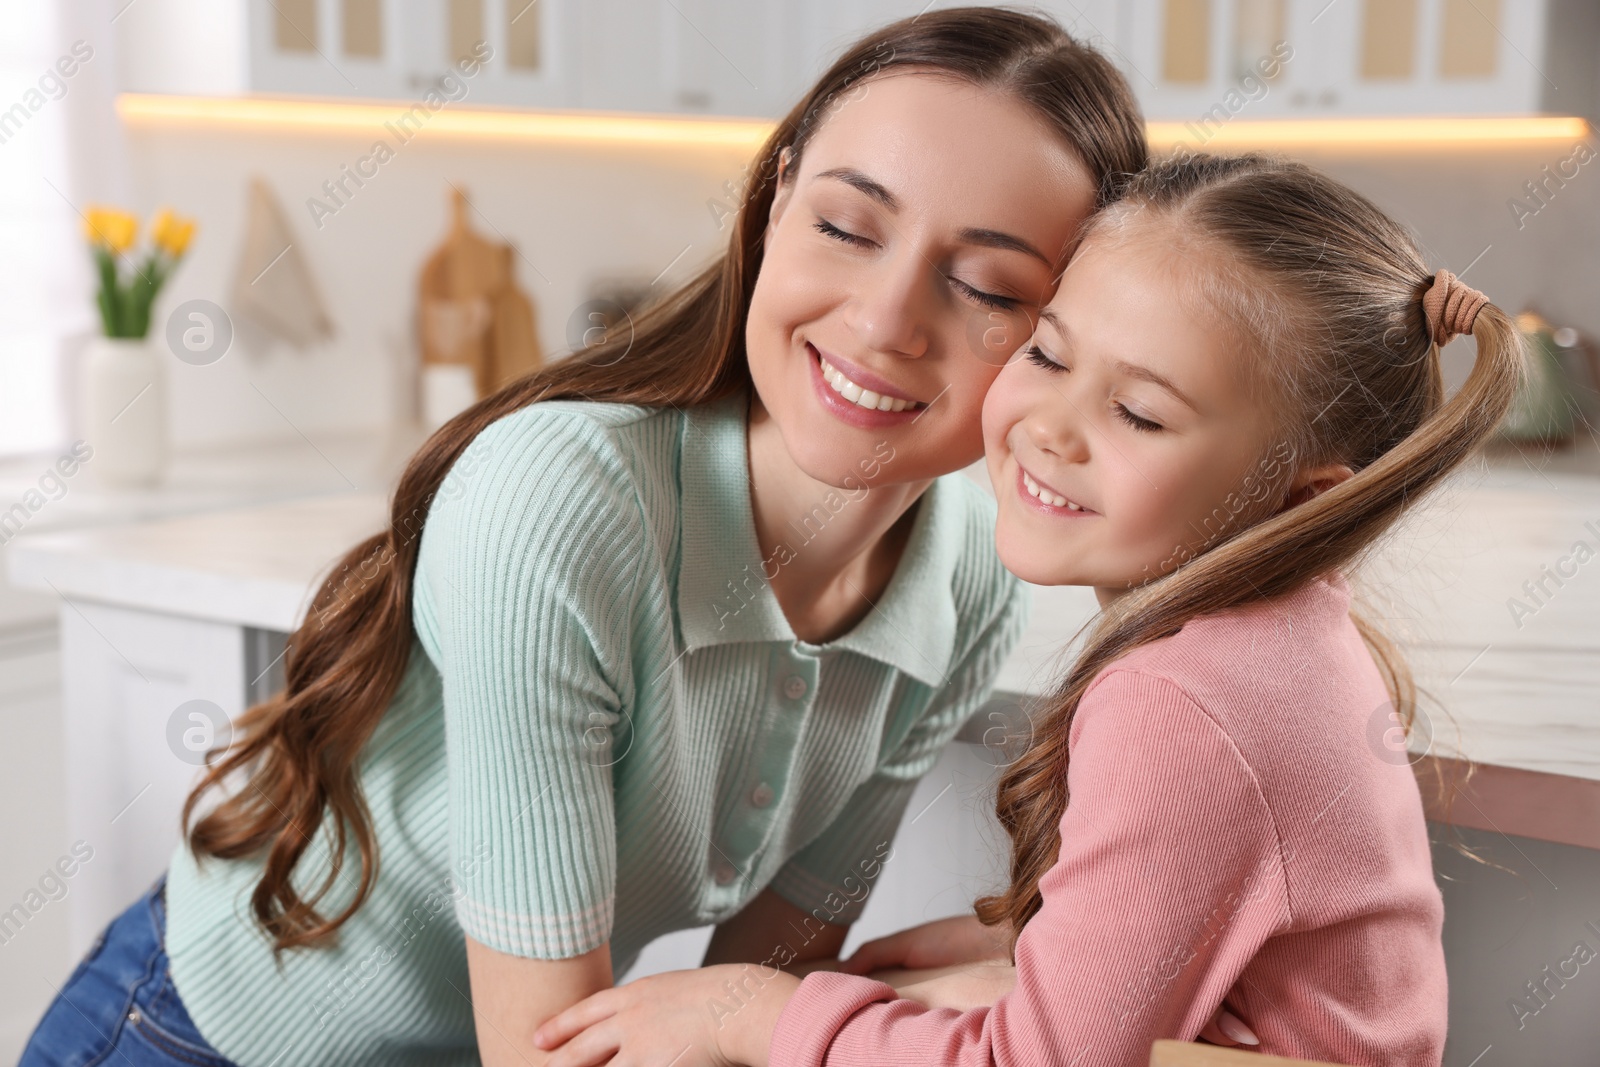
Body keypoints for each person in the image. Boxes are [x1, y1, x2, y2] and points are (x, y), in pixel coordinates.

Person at [19, 10, 1161, 1067]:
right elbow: (558, 1050)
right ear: (773, 207)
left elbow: (765, 987)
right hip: (203, 1034)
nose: (884, 319)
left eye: (984, 286)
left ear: (1066, 341)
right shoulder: (561, 507)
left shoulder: (969, 578)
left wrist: (996, 986)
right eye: (846, 225)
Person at [531, 152, 1525, 1066]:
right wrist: (1043, 943)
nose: (1051, 428)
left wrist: (745, 1009)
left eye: (1137, 412)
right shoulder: (1292, 635)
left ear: (1301, 493)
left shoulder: (1181, 704)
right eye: (1047, 356)